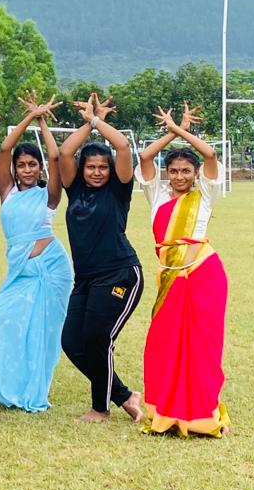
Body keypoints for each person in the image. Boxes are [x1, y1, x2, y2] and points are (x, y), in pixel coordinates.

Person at [136, 103, 230, 437]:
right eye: (173, 171)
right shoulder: (156, 195)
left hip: (203, 273)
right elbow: (145, 158)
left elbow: (209, 154)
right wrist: (169, 132)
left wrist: (179, 130)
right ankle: (165, 413)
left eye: (185, 171)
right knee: (164, 344)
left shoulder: (204, 195)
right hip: (169, 276)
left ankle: (203, 413)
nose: (179, 177)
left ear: (194, 175)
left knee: (202, 346)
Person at [0, 94, 73, 412]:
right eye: (22, 165)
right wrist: (27, 117)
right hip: (18, 271)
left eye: (31, 164)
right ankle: (7, 388)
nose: (26, 169)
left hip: (50, 268)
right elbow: (5, 149)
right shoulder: (7, 192)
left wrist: (43, 122)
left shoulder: (48, 196)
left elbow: (56, 157)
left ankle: (33, 387)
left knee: (40, 333)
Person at [58, 93, 145, 424]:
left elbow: (122, 146)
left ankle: (101, 408)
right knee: (71, 342)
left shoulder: (118, 189)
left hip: (120, 273)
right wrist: (85, 124)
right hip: (86, 279)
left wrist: (96, 122)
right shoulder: (74, 189)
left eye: (102, 168)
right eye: (91, 167)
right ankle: (125, 395)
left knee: (97, 339)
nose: (96, 172)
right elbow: (66, 152)